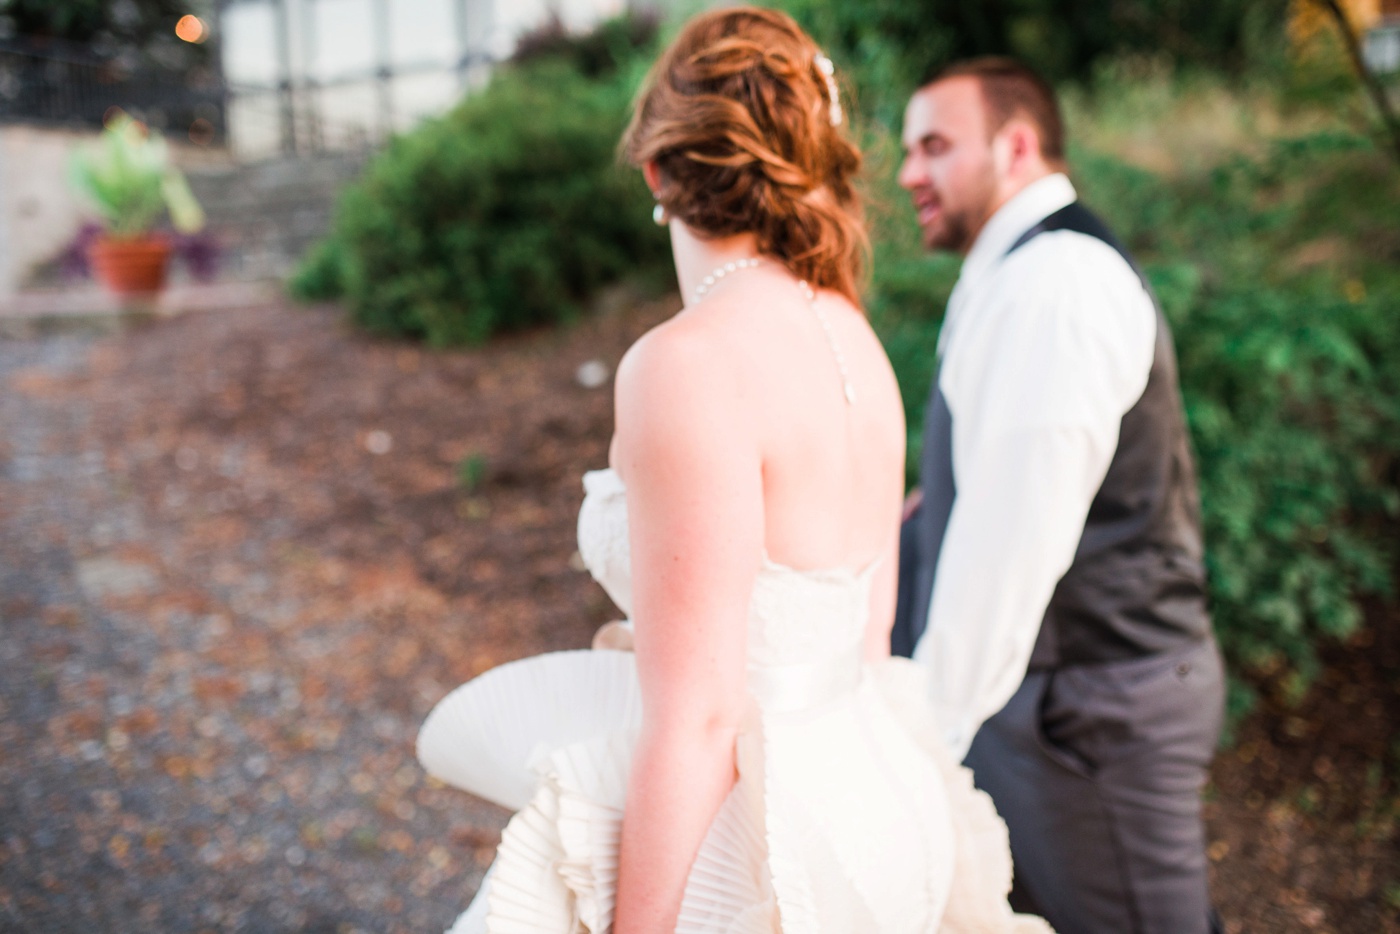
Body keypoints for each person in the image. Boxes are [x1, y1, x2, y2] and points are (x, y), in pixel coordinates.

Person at [416, 10, 1052, 933]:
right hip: (880, 807)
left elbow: (703, 719)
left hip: (760, 851)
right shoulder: (851, 334)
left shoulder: (687, 364)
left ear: (657, 170)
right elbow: (865, 641)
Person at [891, 57, 1225, 934]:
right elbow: (997, 476)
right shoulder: (1015, 272)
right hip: (1044, 696)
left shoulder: (1054, 286)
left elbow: (1010, 548)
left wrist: (919, 749)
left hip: (1092, 707)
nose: (907, 173)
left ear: (1018, 143)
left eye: (933, 146)